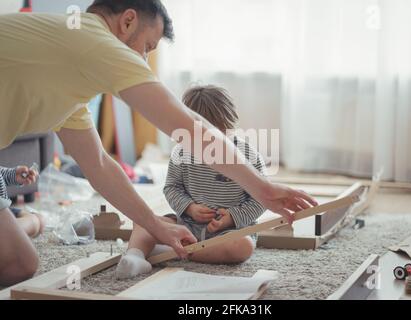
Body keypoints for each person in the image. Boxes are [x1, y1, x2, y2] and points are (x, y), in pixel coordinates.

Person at [0, 0, 317, 286]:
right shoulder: (96, 43)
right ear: (127, 22)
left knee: (20, 264)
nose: (144, 60)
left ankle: (29, 223)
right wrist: (262, 187)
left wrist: (153, 223)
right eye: (147, 47)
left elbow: (98, 163)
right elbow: (187, 127)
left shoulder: (71, 80)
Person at [116, 85, 268, 279]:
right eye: (203, 139)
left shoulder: (248, 155)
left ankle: (166, 252)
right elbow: (172, 187)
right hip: (185, 226)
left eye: (221, 136)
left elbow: (261, 199)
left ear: (231, 125)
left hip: (230, 231)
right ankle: (135, 256)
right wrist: (189, 208)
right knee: (144, 221)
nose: (212, 145)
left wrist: (232, 217)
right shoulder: (181, 152)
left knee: (242, 247)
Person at [0, 166, 44, 238]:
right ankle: (6, 232)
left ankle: (8, 232)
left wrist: (14, 175)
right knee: (34, 222)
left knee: (40, 220)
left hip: (4, 209)